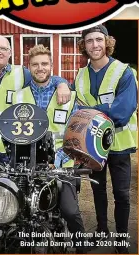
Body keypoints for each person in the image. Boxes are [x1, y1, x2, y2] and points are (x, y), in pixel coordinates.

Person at [0, 34, 72, 253]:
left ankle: (7, 231)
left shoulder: (22, 73)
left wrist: (62, 84)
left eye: (3, 48)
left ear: (10, 52)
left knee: (13, 194)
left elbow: (45, 75)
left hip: (9, 147)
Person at [12, 44, 89, 253]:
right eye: (35, 64)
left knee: (70, 211)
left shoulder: (69, 96)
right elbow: (10, 132)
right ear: (29, 67)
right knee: (19, 210)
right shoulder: (18, 97)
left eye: (44, 63)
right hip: (28, 165)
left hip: (62, 165)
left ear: (52, 66)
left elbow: (77, 133)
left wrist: (61, 159)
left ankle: (81, 246)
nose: (40, 68)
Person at [74, 25, 137, 254]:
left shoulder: (124, 72)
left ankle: (121, 238)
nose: (95, 45)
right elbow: (75, 109)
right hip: (92, 145)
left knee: (121, 193)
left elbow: (123, 110)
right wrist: (100, 109)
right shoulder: (80, 75)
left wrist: (91, 110)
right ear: (84, 46)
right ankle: (102, 230)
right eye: (89, 41)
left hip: (118, 143)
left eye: (99, 40)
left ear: (107, 42)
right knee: (98, 190)